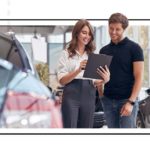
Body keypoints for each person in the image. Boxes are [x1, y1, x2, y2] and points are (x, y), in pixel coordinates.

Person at [57, 19, 110, 128]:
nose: (87, 36)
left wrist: (105, 80)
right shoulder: (66, 53)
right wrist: (78, 70)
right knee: (69, 128)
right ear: (76, 33)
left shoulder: (92, 56)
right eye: (84, 32)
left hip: (89, 95)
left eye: (89, 34)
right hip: (71, 96)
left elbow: (95, 82)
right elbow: (62, 80)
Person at [98, 13, 144, 128]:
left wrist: (131, 102)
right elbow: (99, 76)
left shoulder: (135, 49)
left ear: (124, 29)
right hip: (108, 101)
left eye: (117, 29)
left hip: (126, 101)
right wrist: (101, 96)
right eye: (111, 28)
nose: (113, 32)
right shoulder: (103, 50)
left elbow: (139, 77)